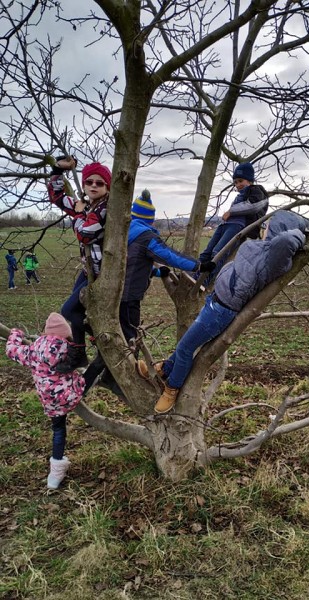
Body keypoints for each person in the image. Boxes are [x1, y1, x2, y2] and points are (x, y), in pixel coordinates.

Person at [154, 210, 307, 414]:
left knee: (185, 348)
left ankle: (171, 389)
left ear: (279, 228)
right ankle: (166, 369)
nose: (265, 227)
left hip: (221, 310)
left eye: (269, 225)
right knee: (187, 343)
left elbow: (287, 240)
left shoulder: (274, 255)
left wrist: (301, 233)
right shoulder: (263, 248)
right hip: (215, 301)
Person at [81, 189, 215, 394]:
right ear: (150, 219)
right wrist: (198, 266)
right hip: (128, 298)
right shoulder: (146, 236)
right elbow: (169, 255)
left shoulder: (122, 232)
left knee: (118, 340)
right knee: (126, 342)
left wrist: (154, 271)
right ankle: (86, 384)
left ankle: (108, 377)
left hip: (113, 294)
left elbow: (130, 263)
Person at [5, 313, 85, 489]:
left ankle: (55, 474)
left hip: (50, 401)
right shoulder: (67, 347)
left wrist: (15, 333)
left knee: (58, 430)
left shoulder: (34, 349)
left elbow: (11, 350)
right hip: (71, 394)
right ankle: (99, 372)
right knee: (85, 376)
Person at [47, 156, 112, 373]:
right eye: (89, 182)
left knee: (69, 309)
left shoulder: (104, 208)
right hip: (88, 270)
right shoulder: (87, 206)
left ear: (107, 187)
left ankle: (88, 345)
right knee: (74, 310)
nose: (94, 185)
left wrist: (78, 215)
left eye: (99, 183)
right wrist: (57, 170)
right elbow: (57, 197)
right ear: (84, 185)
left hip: (99, 272)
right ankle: (83, 349)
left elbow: (86, 234)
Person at [198, 162, 269, 286]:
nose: (238, 185)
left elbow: (253, 206)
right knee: (207, 252)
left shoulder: (256, 190)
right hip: (227, 225)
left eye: (241, 181)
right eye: (235, 182)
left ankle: (204, 281)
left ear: (250, 180)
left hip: (239, 227)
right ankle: (194, 275)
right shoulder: (241, 195)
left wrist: (231, 211)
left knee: (218, 253)